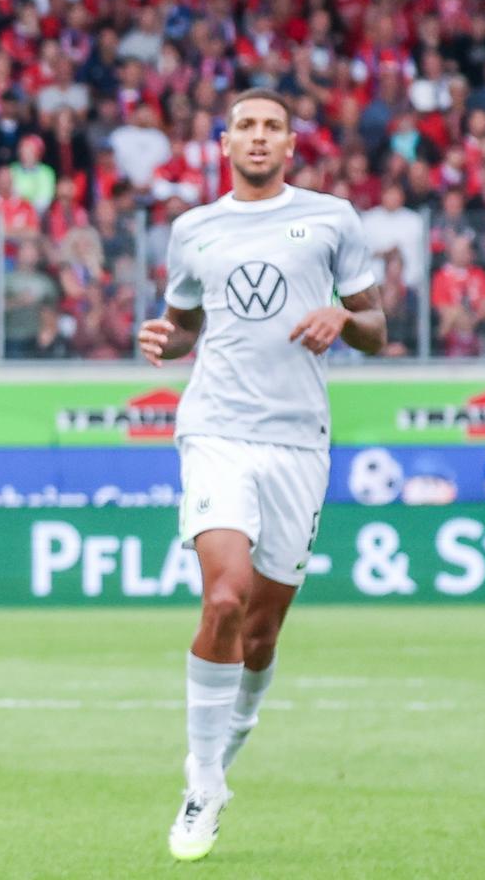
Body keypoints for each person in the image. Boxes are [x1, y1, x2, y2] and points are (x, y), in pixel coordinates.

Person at [137, 88, 385, 864]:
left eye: (272, 125)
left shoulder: (332, 218)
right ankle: (203, 780)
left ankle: (222, 758)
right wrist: (163, 340)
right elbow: (185, 327)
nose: (257, 136)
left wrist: (345, 320)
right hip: (216, 431)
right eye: (245, 124)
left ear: (290, 143)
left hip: (298, 444)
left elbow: (377, 327)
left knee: (262, 634)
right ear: (223, 142)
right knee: (224, 596)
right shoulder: (194, 230)